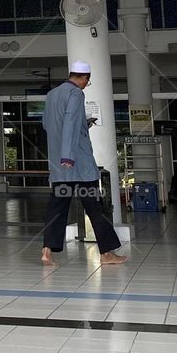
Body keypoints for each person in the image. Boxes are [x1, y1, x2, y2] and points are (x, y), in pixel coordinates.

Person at [41, 60, 126, 267]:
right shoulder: (76, 94)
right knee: (95, 207)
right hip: (77, 164)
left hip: (60, 167)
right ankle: (106, 254)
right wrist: (68, 155)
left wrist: (80, 128)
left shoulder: (52, 95)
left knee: (57, 207)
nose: (86, 85)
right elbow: (70, 121)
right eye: (87, 82)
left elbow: (46, 124)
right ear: (84, 78)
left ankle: (47, 250)